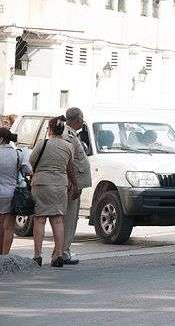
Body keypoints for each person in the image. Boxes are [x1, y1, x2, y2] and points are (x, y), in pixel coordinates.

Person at [29, 116, 77, 267]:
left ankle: (37, 255)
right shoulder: (69, 146)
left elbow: (30, 164)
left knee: (40, 219)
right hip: (60, 185)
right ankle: (57, 255)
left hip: (41, 184)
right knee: (58, 220)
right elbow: (70, 168)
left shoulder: (42, 144)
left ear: (49, 129)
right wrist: (74, 185)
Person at [61, 107, 91, 265]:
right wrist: (74, 183)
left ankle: (63, 251)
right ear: (76, 119)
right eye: (81, 118)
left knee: (70, 219)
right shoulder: (68, 135)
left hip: (73, 182)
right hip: (71, 183)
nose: (83, 121)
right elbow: (69, 162)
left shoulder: (72, 134)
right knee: (69, 219)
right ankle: (63, 252)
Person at [0, 128, 32, 255]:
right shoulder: (18, 154)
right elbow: (28, 171)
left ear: (1, 139)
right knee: (9, 227)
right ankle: (5, 255)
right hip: (11, 194)